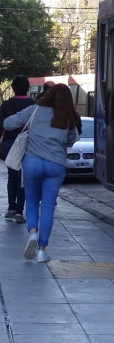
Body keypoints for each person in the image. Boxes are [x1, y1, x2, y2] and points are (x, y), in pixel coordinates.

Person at [3, 84, 78, 263]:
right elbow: (71, 140)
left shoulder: (34, 110)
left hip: (32, 163)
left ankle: (32, 234)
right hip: (56, 165)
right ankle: (42, 251)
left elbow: (7, 123)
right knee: (48, 206)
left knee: (32, 201)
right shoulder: (69, 116)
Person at [0, 75, 37, 223]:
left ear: (13, 88)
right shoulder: (33, 105)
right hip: (27, 143)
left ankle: (11, 208)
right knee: (22, 178)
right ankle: (20, 212)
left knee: (12, 176)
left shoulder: (5, 106)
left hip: (10, 143)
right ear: (27, 88)